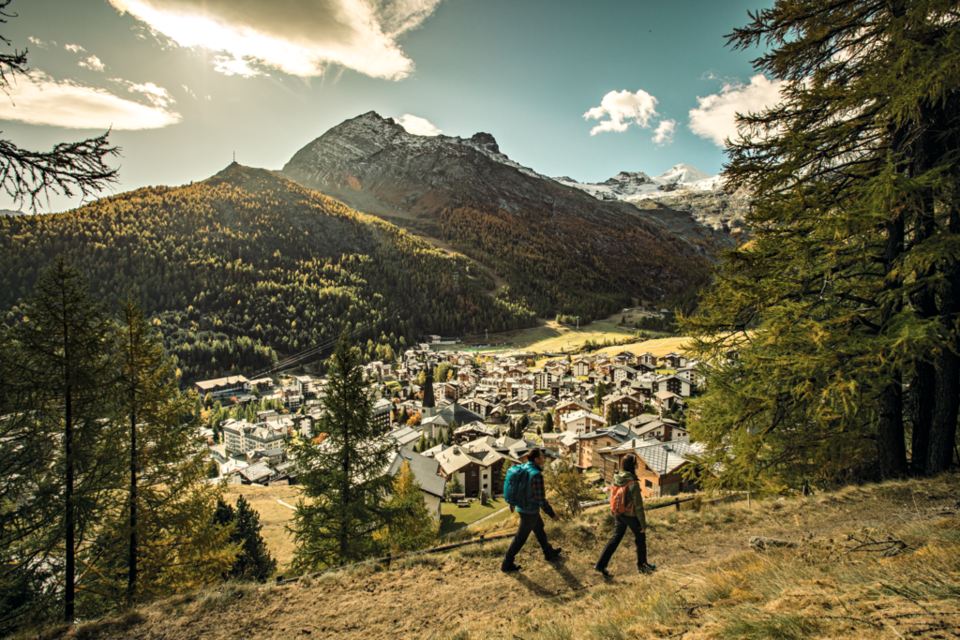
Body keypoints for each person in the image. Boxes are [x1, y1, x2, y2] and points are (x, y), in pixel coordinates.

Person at [501, 448, 562, 573]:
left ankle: (548, 551)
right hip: (529, 510)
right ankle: (506, 563)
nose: (543, 459)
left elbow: (517, 487)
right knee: (520, 538)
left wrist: (512, 503)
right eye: (541, 457)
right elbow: (541, 499)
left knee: (539, 528)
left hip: (523, 507)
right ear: (536, 459)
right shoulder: (536, 475)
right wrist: (552, 514)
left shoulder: (523, 467)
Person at [594, 454, 656, 576]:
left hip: (618, 514)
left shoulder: (616, 477)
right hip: (631, 516)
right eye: (636, 463)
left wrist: (613, 510)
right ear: (633, 465)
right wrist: (643, 524)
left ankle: (600, 565)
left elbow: (613, 495)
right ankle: (642, 566)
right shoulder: (633, 483)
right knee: (640, 538)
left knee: (615, 539)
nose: (637, 465)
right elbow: (638, 506)